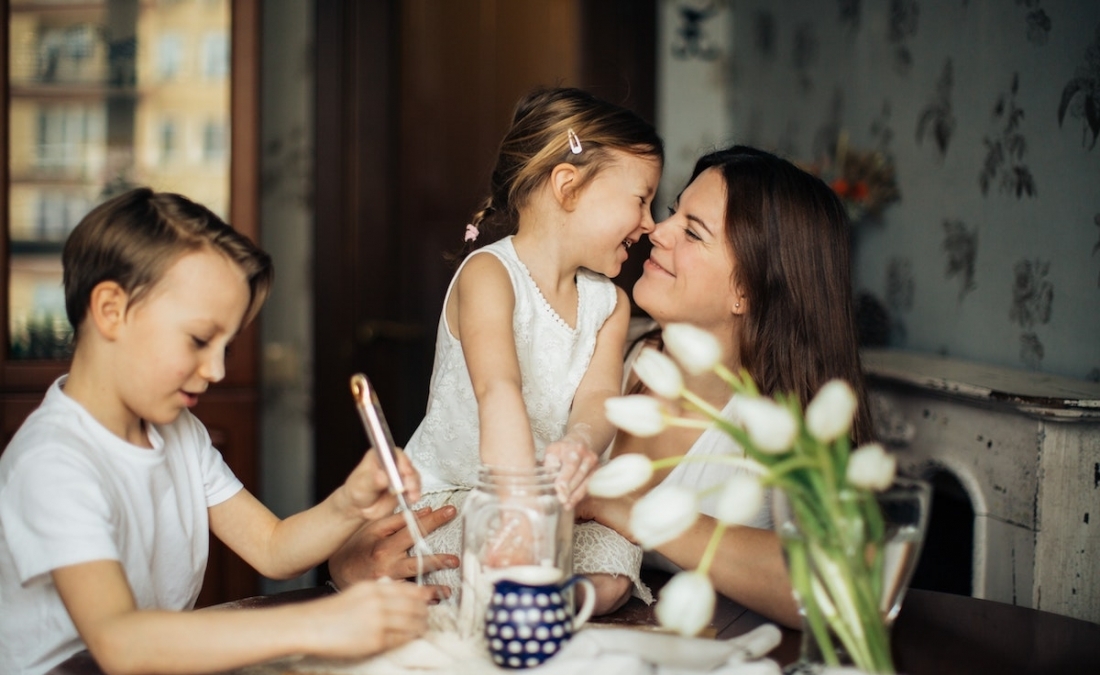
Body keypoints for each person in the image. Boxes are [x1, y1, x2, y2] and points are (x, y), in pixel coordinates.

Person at [0, 189, 434, 675]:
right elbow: (119, 642)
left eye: (226, 346)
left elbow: (272, 548)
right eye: (200, 340)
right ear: (110, 311)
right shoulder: (54, 462)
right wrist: (318, 623)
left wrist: (348, 503)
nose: (217, 369)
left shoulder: (179, 432)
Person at [333, 87, 663, 615]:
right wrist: (517, 510)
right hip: (467, 494)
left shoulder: (610, 304)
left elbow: (600, 397)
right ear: (569, 186)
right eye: (641, 199)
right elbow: (498, 389)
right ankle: (514, 595)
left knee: (614, 567)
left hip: (554, 507)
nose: (649, 223)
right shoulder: (489, 274)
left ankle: (530, 600)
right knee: (471, 556)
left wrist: (581, 443)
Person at [577, 145, 874, 628]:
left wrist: (639, 511)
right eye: (675, 211)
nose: (658, 228)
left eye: (693, 231)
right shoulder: (604, 349)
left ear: (747, 291)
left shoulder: (787, 426)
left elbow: (841, 588)